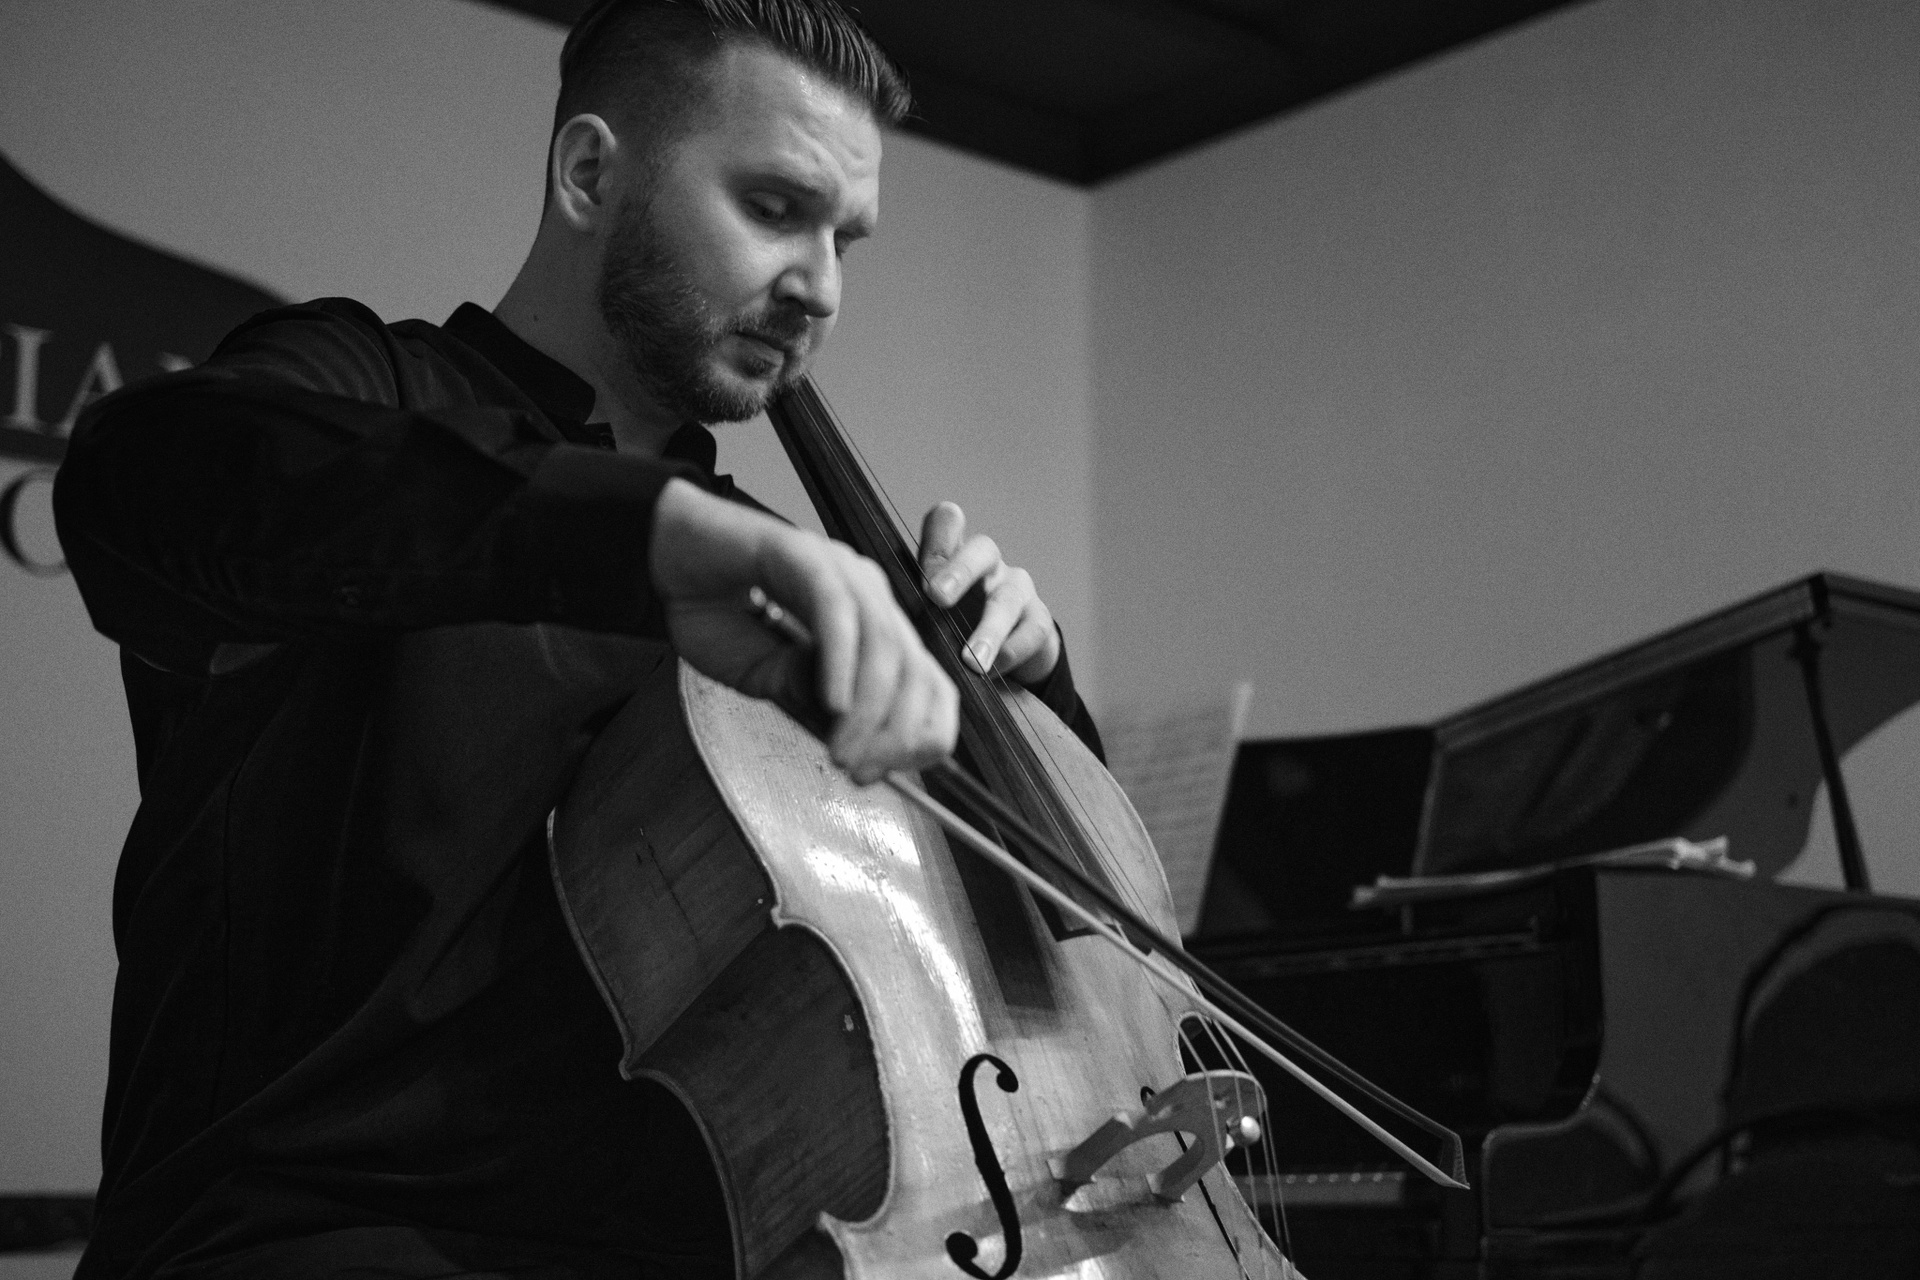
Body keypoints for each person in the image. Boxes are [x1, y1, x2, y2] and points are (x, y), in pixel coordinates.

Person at [52, 1, 1101, 1276]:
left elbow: (1044, 953)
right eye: (775, 208)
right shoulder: (364, 391)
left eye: (845, 238)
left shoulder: (767, 570)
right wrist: (640, 536)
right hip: (295, 1239)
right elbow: (140, 482)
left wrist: (1032, 692)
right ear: (591, 174)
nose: (821, 287)